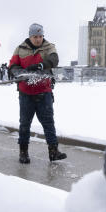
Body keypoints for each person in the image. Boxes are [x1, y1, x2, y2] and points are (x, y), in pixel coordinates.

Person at [8, 23, 66, 164]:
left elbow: (54, 59)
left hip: (44, 92)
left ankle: (53, 151)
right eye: (35, 36)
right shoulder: (20, 49)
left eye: (40, 36)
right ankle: (23, 152)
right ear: (30, 36)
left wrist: (41, 65)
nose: (38, 39)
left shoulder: (48, 47)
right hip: (26, 93)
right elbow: (12, 65)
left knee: (48, 123)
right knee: (25, 123)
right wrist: (19, 72)